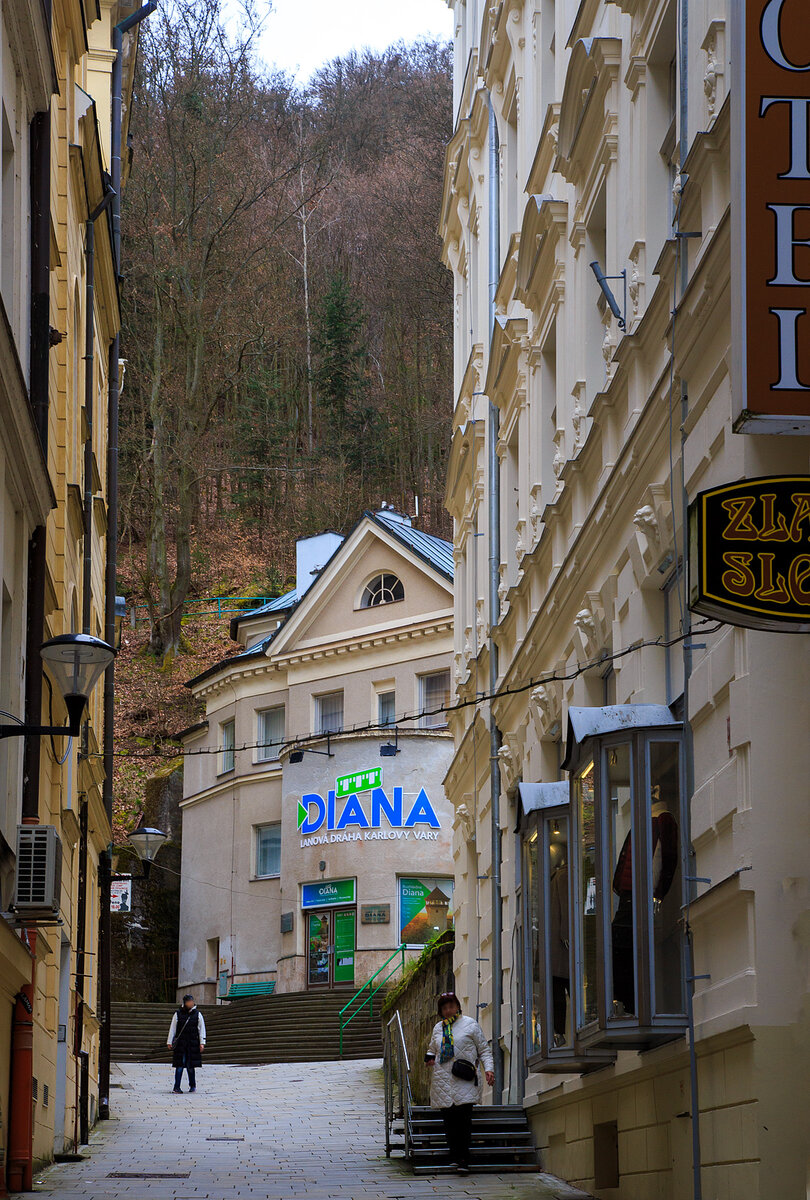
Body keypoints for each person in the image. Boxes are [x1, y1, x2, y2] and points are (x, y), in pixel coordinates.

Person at [425, 991, 494, 1174]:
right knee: (449, 1122)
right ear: (441, 1010)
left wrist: (489, 1069)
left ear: (457, 1007)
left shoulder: (470, 1024)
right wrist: (429, 1058)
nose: (448, 1010)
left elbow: (484, 1050)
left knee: (463, 1121)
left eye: (451, 1006)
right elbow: (432, 1048)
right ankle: (454, 1156)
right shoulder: (438, 1028)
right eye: (445, 1008)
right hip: (443, 1080)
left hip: (465, 1079)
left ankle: (464, 1159)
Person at [167, 993, 206, 1094]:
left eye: (192, 1001)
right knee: (179, 1065)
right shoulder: (177, 1014)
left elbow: (201, 1029)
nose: (191, 1003)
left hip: (192, 1043)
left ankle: (192, 1086)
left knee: (190, 1066)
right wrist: (169, 1041)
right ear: (185, 1003)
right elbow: (173, 1028)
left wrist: (202, 1042)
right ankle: (176, 1087)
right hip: (181, 1044)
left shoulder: (197, 1014)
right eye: (189, 1002)